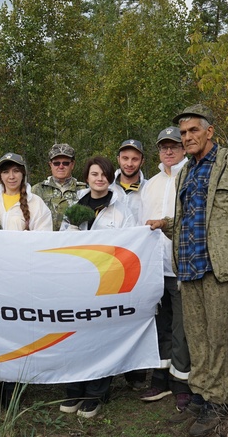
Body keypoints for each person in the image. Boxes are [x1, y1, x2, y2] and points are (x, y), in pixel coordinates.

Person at [161, 104, 228, 436]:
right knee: (197, 338)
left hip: (221, 266)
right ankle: (200, 395)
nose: (187, 137)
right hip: (189, 268)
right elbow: (187, 220)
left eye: (193, 130)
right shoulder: (184, 172)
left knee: (219, 337)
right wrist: (163, 225)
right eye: (183, 133)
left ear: (209, 132)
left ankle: (218, 402)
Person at [58, 156, 137, 418]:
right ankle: (74, 390)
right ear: (87, 177)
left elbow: (130, 245)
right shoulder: (75, 206)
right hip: (76, 282)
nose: (99, 179)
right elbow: (60, 241)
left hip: (107, 283)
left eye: (104, 174)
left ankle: (96, 393)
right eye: (94, 174)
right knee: (75, 334)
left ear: (110, 177)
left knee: (100, 336)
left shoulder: (120, 210)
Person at [0, 152, 51, 407]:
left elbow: (45, 241)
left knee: (17, 334)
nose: (11, 176)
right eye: (6, 171)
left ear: (23, 173)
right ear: (0, 175)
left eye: (16, 170)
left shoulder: (36, 203)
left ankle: (13, 390)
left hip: (21, 278)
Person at [140, 127, 192, 410]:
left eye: (174, 146)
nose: (169, 151)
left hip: (182, 267)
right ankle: (160, 379)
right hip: (154, 268)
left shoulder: (191, 177)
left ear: (183, 148)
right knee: (160, 325)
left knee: (182, 327)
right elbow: (141, 225)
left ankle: (181, 382)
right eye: (164, 147)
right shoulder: (152, 183)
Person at [111, 138, 148, 389]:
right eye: (125, 158)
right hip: (109, 263)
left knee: (136, 315)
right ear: (119, 160)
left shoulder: (151, 187)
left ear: (142, 161)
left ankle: (136, 374)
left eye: (135, 159)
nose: (130, 163)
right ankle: (109, 369)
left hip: (140, 260)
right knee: (111, 315)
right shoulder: (105, 183)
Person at [32, 143, 86, 231]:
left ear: (72, 165)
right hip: (45, 241)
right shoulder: (37, 190)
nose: (61, 167)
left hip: (74, 242)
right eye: (56, 163)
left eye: (65, 163)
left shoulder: (84, 190)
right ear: (50, 165)